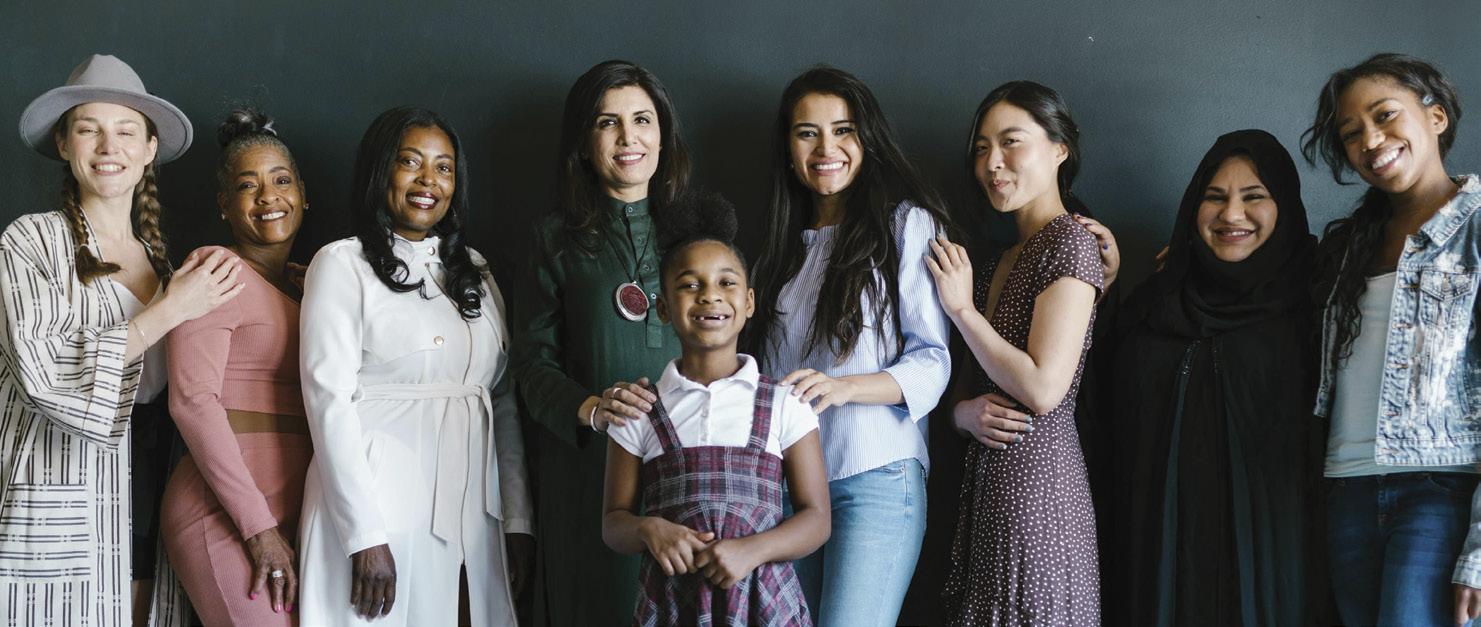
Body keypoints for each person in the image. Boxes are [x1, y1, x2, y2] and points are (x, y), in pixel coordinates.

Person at [1, 53, 242, 625]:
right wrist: (171, 309)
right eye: (89, 130)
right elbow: (43, 372)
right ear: (64, 144)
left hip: (157, 483)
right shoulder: (30, 242)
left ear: (150, 148)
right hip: (67, 483)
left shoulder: (165, 265)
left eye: (127, 131)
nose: (109, 146)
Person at [296, 106, 533, 626]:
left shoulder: (475, 270)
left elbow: (502, 400)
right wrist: (364, 535)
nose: (429, 180)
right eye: (410, 162)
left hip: (475, 514)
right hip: (378, 509)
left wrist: (516, 520)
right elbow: (327, 400)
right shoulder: (342, 264)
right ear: (380, 171)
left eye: (444, 167)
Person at [746, 66, 953, 627]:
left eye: (843, 130)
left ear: (868, 140)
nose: (826, 149)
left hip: (876, 477)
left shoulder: (906, 226)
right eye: (806, 133)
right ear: (788, 148)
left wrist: (843, 388)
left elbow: (933, 362)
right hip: (792, 489)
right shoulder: (778, 252)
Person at [1105, 129, 1321, 626]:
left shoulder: (1318, 300)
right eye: (1215, 197)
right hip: (1159, 558)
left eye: (1254, 197)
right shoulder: (1152, 305)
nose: (1232, 215)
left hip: (1276, 565)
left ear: (1285, 206)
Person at [1302, 53, 1481, 627]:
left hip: (1440, 490)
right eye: (1351, 134)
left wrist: (1479, 551)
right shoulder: (1347, 245)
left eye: (1384, 116)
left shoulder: (1476, 230)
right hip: (1345, 489)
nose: (1370, 141)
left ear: (1436, 116)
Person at [511, 59, 692, 626]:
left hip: (686, 469)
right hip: (586, 472)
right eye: (607, 122)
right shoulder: (554, 238)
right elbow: (530, 365)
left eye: (642, 120)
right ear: (585, 144)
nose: (628, 137)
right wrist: (591, 408)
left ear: (663, 135)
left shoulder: (697, 234)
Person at [598, 192, 830, 626]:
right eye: (690, 285)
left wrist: (752, 550)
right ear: (663, 308)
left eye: (726, 283)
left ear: (749, 302)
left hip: (764, 604)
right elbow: (613, 522)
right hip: (674, 605)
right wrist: (649, 529)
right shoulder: (639, 410)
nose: (709, 296)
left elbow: (817, 519)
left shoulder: (784, 403)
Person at [930, 80, 1102, 625]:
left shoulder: (1070, 243)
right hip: (988, 491)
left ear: (1059, 149)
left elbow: (1043, 388)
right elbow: (966, 387)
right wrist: (962, 414)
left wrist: (962, 310)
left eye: (1011, 142)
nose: (992, 163)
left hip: (1040, 493)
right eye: (982, 148)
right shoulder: (995, 262)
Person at [159, 108, 313, 626]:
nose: (268, 196)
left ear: (303, 195)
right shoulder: (214, 269)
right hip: (227, 507)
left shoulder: (311, 285)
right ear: (225, 205)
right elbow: (191, 402)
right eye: (248, 186)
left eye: (281, 181)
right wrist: (257, 527)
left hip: (301, 503)